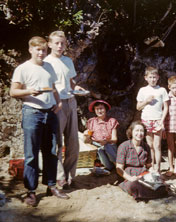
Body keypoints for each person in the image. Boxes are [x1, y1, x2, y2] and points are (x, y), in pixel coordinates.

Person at [10, 36, 69, 206]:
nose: (41, 53)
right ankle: (31, 191)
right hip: (32, 113)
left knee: (51, 151)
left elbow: (53, 87)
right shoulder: (23, 68)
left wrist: (57, 102)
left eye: (43, 50)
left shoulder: (49, 66)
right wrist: (29, 91)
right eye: (38, 49)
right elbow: (13, 92)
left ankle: (51, 186)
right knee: (31, 154)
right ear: (30, 50)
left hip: (49, 113)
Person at [44, 30, 86, 189]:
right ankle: (59, 177)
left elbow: (70, 81)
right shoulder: (46, 62)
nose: (60, 46)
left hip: (71, 101)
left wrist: (78, 88)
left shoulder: (68, 60)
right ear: (50, 44)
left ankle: (69, 177)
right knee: (57, 143)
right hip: (56, 104)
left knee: (73, 142)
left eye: (62, 43)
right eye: (56, 43)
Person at [116, 121, 168, 200]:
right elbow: (119, 168)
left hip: (143, 174)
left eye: (142, 131)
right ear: (131, 132)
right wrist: (129, 178)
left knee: (162, 185)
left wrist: (154, 173)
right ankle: (141, 192)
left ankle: (144, 193)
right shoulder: (124, 146)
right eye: (137, 131)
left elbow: (149, 166)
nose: (139, 133)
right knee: (133, 185)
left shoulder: (146, 146)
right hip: (129, 175)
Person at [136, 66, 169, 173]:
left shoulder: (162, 90)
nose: (153, 79)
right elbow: (138, 107)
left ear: (158, 77)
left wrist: (162, 120)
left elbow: (166, 107)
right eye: (150, 77)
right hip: (146, 120)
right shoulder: (143, 90)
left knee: (157, 145)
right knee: (149, 146)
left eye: (154, 77)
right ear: (146, 78)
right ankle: (152, 166)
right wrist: (146, 101)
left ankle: (158, 168)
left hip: (157, 120)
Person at [83, 100, 119, 172]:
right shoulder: (91, 122)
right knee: (100, 150)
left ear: (105, 109)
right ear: (94, 110)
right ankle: (110, 167)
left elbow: (114, 139)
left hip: (110, 146)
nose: (99, 111)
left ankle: (118, 167)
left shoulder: (112, 121)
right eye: (97, 109)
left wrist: (106, 141)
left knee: (108, 146)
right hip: (97, 148)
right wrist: (86, 135)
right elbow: (87, 141)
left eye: (101, 108)